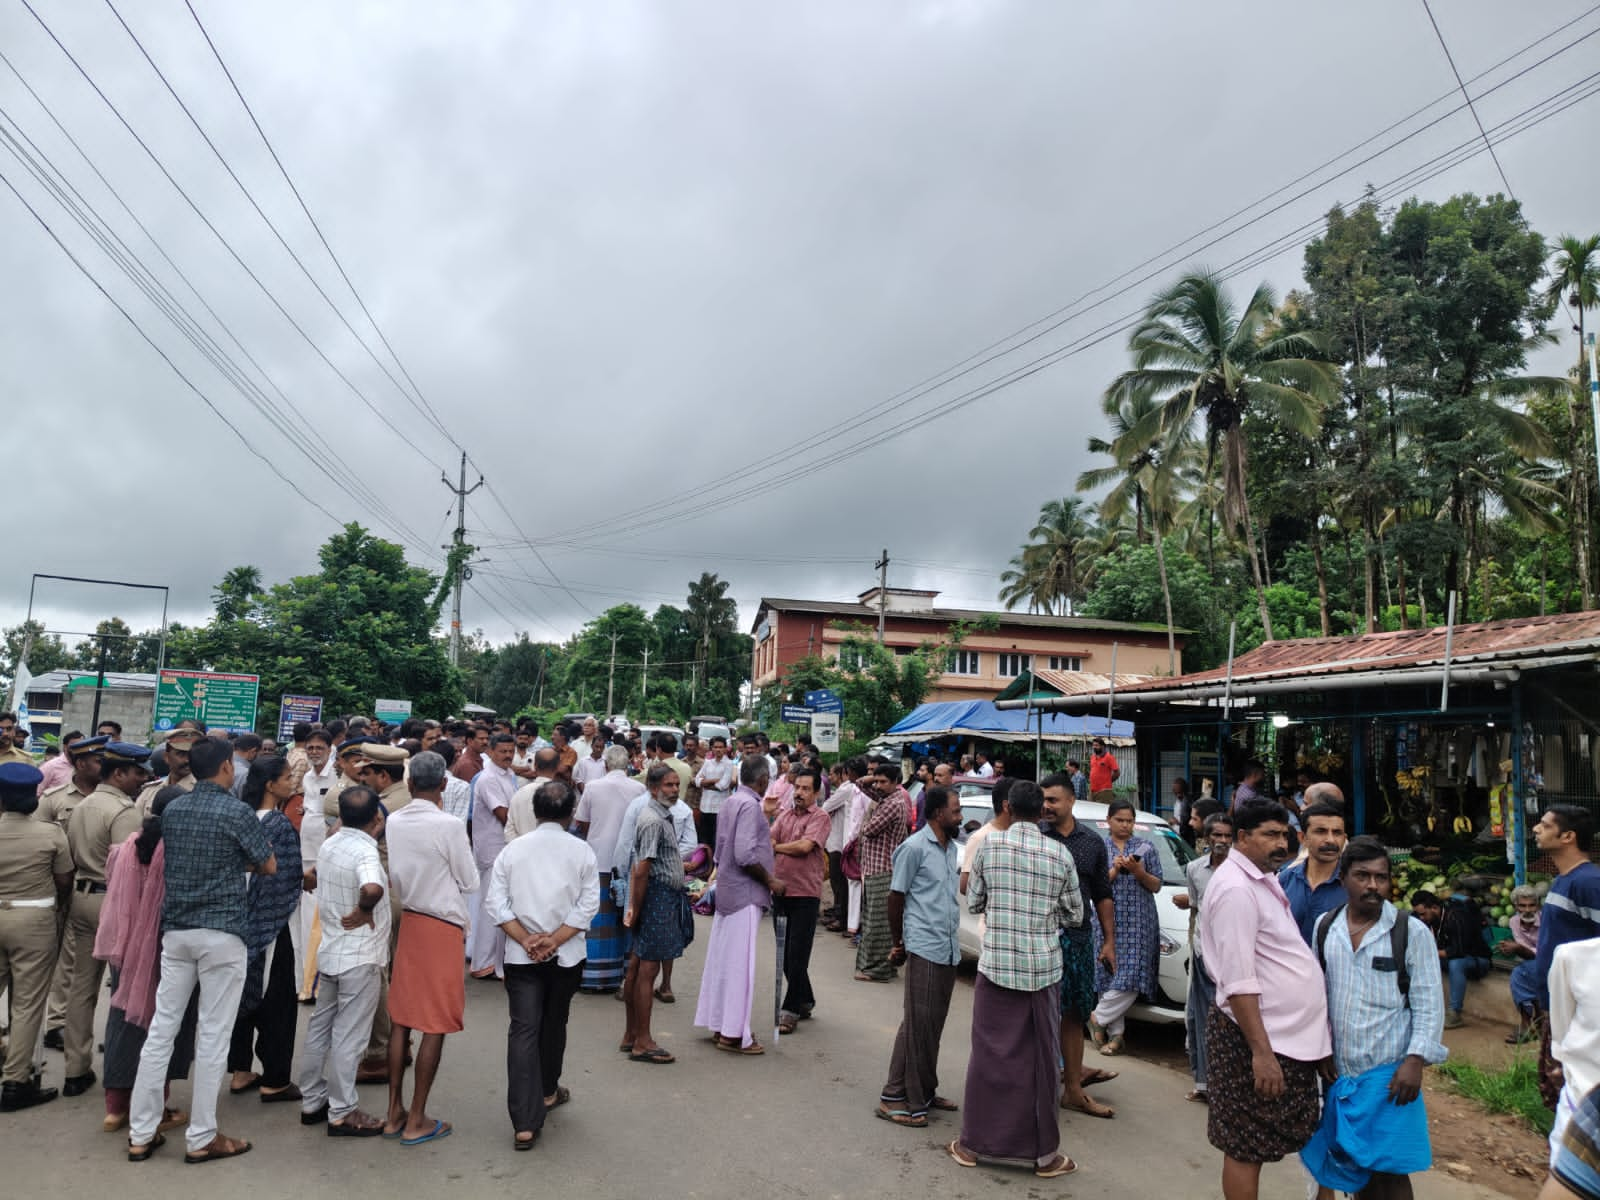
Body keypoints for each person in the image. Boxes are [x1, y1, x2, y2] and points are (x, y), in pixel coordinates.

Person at [129, 736, 277, 1165]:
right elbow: (267, 864)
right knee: (212, 1036)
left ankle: (142, 1131)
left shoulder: (174, 809)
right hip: (223, 933)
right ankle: (202, 1136)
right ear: (227, 768)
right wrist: (235, 863)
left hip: (177, 932)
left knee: (162, 1031)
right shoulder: (237, 811)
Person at [1301, 837, 1448, 1199]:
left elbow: (1429, 1001)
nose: (1372, 885)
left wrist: (1415, 1060)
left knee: (1390, 1172)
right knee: (1353, 1166)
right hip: (1341, 1075)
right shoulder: (1325, 927)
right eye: (1362, 875)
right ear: (1344, 878)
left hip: (1390, 1076)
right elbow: (1315, 996)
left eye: (1380, 878)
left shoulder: (1410, 932)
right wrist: (1320, 1050)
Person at [1199, 800, 1331, 1200]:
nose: (1281, 842)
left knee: (1311, 1131)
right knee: (1244, 1146)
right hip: (1254, 1040)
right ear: (1241, 838)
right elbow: (1238, 982)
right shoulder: (1236, 889)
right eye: (1269, 835)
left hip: (1288, 1038)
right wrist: (1261, 1053)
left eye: (1284, 834)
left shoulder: (1263, 876)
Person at [948, 781, 1080, 1179]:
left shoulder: (989, 846)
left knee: (988, 1056)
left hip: (997, 966)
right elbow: (1075, 914)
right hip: (1042, 971)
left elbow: (975, 901)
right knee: (1040, 1062)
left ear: (1007, 807)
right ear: (1041, 811)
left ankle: (971, 1145)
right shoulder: (1059, 853)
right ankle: (1044, 1157)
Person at [487, 780, 599, 1147]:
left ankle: (524, 1120)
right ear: (570, 814)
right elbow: (587, 906)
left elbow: (496, 903)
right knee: (554, 1021)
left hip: (523, 955)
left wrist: (525, 939)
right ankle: (548, 1090)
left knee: (523, 1029)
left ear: (535, 813)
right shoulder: (582, 852)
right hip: (565, 954)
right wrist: (554, 940)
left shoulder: (514, 850)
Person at [381, 749, 477, 1146]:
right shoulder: (449, 824)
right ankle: (417, 1116)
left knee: (402, 1018)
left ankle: (393, 1112)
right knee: (435, 1022)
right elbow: (469, 880)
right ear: (442, 785)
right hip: (441, 924)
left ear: (407, 783)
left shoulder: (395, 821)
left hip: (411, 918)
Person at [94, 784, 196, 1133]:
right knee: (164, 1026)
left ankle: (114, 1108)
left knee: (122, 1020)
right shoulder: (177, 850)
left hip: (123, 946)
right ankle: (158, 1106)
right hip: (163, 948)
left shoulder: (127, 847)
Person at [296, 785, 389, 1137]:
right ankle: (343, 1110)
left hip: (332, 952)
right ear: (377, 819)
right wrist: (365, 910)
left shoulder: (331, 843)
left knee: (320, 1029)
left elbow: (311, 877)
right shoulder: (366, 852)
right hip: (359, 956)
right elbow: (372, 888)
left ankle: (312, 1101)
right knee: (349, 1037)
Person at [63, 741, 153, 1096]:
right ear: (118, 773)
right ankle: (121, 1071)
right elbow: (129, 869)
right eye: (137, 772)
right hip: (113, 902)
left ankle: (75, 1069)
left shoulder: (84, 804)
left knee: (82, 988)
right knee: (124, 990)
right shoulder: (123, 812)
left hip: (81, 897)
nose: (142, 779)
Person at [876, 784, 962, 1127]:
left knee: (931, 1025)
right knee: (917, 1023)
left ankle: (925, 1089)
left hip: (948, 948)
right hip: (923, 945)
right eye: (955, 811)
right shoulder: (913, 848)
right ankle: (894, 1096)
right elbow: (895, 898)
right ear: (938, 813)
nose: (959, 816)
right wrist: (898, 943)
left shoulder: (951, 849)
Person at [1039, 773, 1118, 1118]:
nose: (1046, 807)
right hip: (1039, 939)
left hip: (1079, 940)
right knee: (1038, 1015)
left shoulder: (1092, 843)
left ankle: (1072, 1090)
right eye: (1043, 800)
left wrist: (1110, 941)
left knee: (1073, 1014)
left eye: (1053, 800)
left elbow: (1102, 895)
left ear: (1072, 801)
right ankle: (1036, 1090)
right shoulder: (1036, 839)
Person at [1511, 805, 1600, 1110]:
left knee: (1576, 1091)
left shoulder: (1587, 882)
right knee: (1557, 1090)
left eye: (1545, 825)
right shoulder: (1564, 880)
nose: (1536, 829)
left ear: (1568, 837)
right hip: (1559, 1007)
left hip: (1581, 1009)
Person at [227, 756, 305, 1101]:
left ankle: (241, 1069)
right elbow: (283, 876)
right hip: (272, 924)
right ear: (271, 785)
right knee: (277, 1001)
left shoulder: (240, 819)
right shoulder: (278, 824)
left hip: (236, 921)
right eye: (288, 778)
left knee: (240, 996)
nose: (293, 783)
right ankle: (275, 1078)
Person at [694, 754, 783, 1055]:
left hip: (729, 891)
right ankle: (732, 1034)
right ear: (762, 781)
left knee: (724, 962)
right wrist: (770, 880)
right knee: (739, 967)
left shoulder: (732, 801)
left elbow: (723, 850)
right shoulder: (748, 806)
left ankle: (722, 1025)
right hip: (744, 894)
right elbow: (745, 854)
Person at [0, 761, 72, 1111]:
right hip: (34, 917)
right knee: (27, 1003)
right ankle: (16, 1082)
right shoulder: (50, 833)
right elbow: (64, 880)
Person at [37, 734, 107, 1052]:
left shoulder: (114, 798)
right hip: (58, 887)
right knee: (61, 961)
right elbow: (37, 843)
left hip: (96, 888)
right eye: (96, 761)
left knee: (88, 962)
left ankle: (76, 1027)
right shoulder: (53, 799)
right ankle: (56, 1025)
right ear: (80, 765)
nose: (102, 765)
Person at [620, 765, 690, 1065]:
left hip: (661, 896)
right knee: (647, 970)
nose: (674, 790)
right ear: (652, 787)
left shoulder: (663, 815)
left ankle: (631, 1035)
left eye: (676, 785)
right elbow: (642, 868)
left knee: (638, 966)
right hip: (656, 899)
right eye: (668, 785)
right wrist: (635, 907)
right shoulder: (652, 819)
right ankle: (643, 1041)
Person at [1086, 796, 1162, 1058]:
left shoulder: (1146, 847)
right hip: (1107, 920)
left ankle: (1098, 1018)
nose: (1125, 825)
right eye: (1120, 820)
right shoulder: (1098, 847)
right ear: (1108, 821)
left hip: (1140, 921)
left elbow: (1156, 885)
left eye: (1130, 821)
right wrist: (1115, 871)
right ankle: (1117, 1036)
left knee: (1132, 974)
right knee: (1109, 973)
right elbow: (1093, 886)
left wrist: (1138, 871)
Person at [1173, 811, 1234, 1104]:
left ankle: (1226, 1085)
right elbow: (1196, 910)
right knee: (1199, 1018)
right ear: (1207, 838)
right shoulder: (1195, 869)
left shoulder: (1240, 870)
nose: (1222, 841)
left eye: (1227, 836)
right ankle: (1204, 1083)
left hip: (1231, 954)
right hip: (1201, 952)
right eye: (1217, 835)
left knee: (1226, 1020)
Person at [573, 745, 644, 994]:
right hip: (628, 863)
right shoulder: (639, 789)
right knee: (625, 918)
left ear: (605, 765)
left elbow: (581, 822)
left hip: (598, 859)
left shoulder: (593, 787)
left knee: (597, 921)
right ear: (629, 765)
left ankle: (595, 976)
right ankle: (624, 974)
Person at [772, 765, 831, 1033]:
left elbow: (805, 847)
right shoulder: (784, 816)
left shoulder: (820, 817)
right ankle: (805, 998)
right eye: (797, 787)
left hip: (806, 895)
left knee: (797, 956)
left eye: (806, 789)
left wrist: (777, 847)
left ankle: (790, 1010)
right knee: (785, 956)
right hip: (781, 892)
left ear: (816, 793)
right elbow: (767, 839)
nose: (799, 793)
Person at [468, 734, 518, 981]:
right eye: (503, 752)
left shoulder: (508, 775)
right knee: (491, 905)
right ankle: (483, 962)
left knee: (500, 903)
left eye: (511, 751)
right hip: (492, 848)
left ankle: (495, 960)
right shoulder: (488, 778)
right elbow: (503, 814)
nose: (508, 755)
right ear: (491, 751)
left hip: (505, 847)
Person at [855, 765, 910, 983]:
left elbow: (868, 829)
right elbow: (860, 783)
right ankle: (879, 966)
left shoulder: (893, 803)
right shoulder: (886, 799)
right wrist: (875, 777)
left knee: (877, 925)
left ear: (896, 781)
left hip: (883, 870)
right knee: (872, 921)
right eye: (876, 781)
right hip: (874, 869)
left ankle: (877, 969)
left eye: (883, 782)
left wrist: (865, 821)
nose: (877, 786)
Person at [1278, 793, 1348, 944]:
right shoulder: (1284, 881)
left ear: (1344, 838)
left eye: (1337, 833)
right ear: (1302, 838)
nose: (1330, 840)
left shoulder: (1354, 884)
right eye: (1320, 831)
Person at [1437, 884, 1492, 1029]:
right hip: (1456, 960)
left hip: (1478, 961)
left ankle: (1455, 1013)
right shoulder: (1436, 919)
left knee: (1456, 963)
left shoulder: (1457, 917)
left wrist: (1434, 952)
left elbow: (1458, 951)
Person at [505, 748, 561, 839]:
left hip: (521, 849)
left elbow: (509, 830)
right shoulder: (562, 795)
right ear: (558, 766)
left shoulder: (519, 794)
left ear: (535, 766)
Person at [693, 735, 735, 849]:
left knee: (716, 840)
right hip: (705, 807)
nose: (718, 750)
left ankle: (715, 865)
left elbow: (723, 785)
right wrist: (712, 781)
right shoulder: (708, 763)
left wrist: (705, 784)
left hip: (719, 809)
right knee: (703, 840)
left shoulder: (729, 764)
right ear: (711, 748)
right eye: (715, 747)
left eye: (721, 747)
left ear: (726, 749)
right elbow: (697, 780)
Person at [228, 733, 263, 799]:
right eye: (259, 754)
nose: (260, 757)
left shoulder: (220, 764)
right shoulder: (246, 773)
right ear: (253, 751)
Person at [1087, 738, 1119, 803]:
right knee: (1092, 811)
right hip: (1092, 790)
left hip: (1104, 791)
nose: (1094, 747)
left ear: (1102, 746)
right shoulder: (1092, 757)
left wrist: (1108, 781)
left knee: (1103, 811)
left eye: (1096, 745)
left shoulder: (1109, 757)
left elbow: (1117, 773)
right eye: (1093, 745)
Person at [1171, 777, 1194, 844]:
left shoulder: (1187, 802)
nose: (1178, 795)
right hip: (1177, 835)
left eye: (1180, 792)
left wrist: (1176, 822)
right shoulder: (1177, 802)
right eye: (1176, 792)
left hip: (1185, 838)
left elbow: (1187, 825)